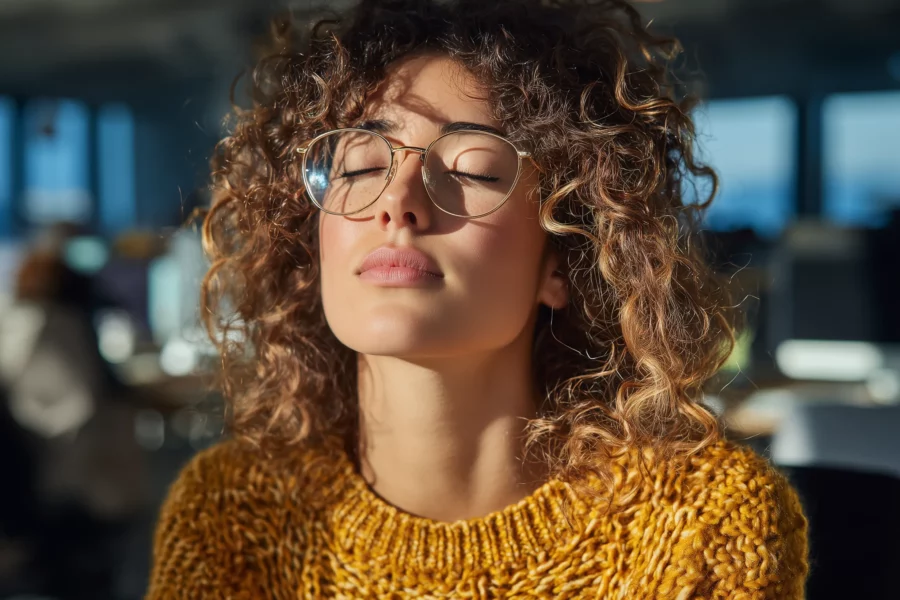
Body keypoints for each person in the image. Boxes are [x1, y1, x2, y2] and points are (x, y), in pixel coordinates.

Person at [146, 0, 808, 597]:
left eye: (472, 170)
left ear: (565, 258)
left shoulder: (704, 528)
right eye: (360, 165)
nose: (397, 203)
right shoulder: (226, 517)